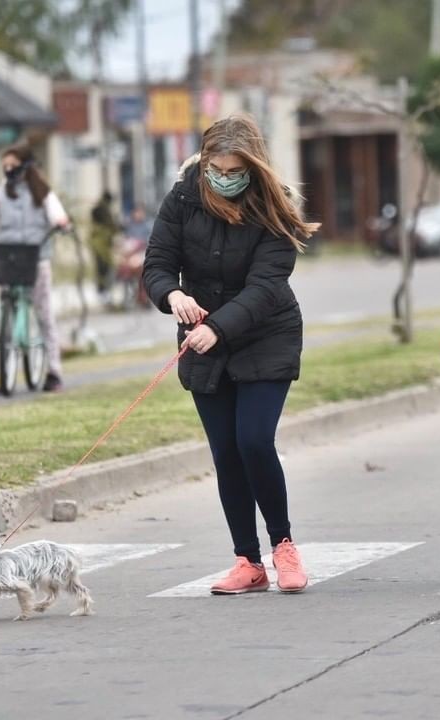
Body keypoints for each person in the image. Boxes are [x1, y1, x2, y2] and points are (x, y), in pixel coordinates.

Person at [143, 114, 319, 594]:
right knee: (226, 452)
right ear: (203, 163)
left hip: (266, 335)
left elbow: (265, 287)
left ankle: (283, 546)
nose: (223, 178)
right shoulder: (183, 199)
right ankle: (248, 561)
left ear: (253, 168)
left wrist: (218, 328)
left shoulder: (273, 210)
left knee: (254, 441)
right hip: (202, 339)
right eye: (216, 169)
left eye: (234, 171)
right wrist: (172, 295)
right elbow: (157, 264)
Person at [0, 142, 69, 392]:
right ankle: (7, 344)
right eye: (5, 166)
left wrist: (61, 222)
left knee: (44, 314)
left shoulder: (43, 193)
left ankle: (54, 371)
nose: (8, 170)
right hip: (7, 257)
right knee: (6, 302)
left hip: (36, 258)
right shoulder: (1, 193)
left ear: (26, 165)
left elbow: (57, 215)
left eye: (13, 165)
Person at [89, 191, 119, 303]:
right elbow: (112, 226)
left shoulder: (97, 209)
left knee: (101, 268)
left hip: (98, 244)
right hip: (102, 245)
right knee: (105, 268)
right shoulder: (104, 210)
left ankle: (102, 291)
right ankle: (103, 291)